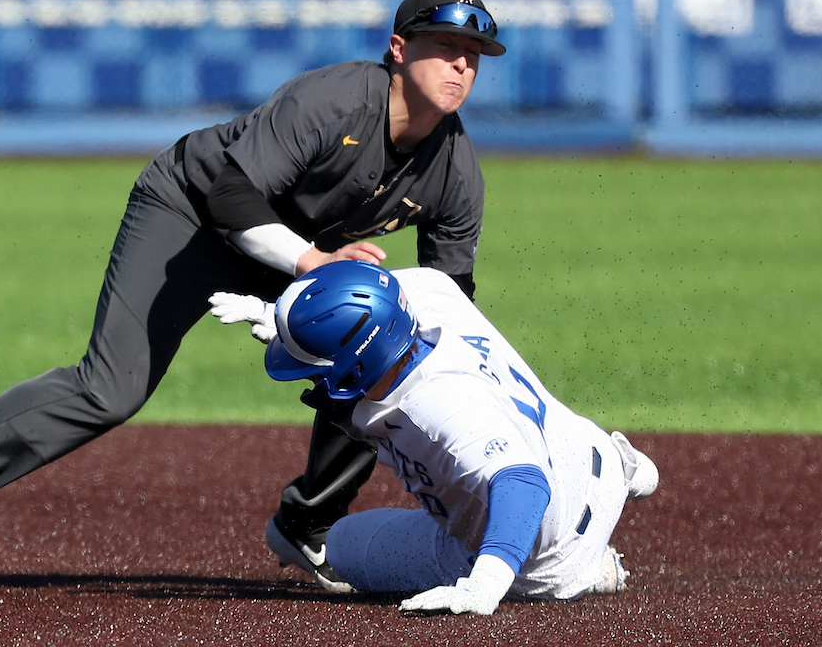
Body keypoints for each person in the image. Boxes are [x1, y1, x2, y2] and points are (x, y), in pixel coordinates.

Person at [0, 0, 506, 589]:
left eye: (474, 55)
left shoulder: (454, 172)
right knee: (111, 390)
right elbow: (230, 192)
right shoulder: (335, 98)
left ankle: (310, 524)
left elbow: (450, 304)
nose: (460, 67)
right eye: (445, 47)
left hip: (298, 256)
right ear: (398, 49)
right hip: (190, 217)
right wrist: (311, 262)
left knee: (384, 350)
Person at [210, 261, 659, 613]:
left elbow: (524, 484)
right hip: (581, 452)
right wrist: (286, 317)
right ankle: (621, 467)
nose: (310, 379)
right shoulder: (426, 292)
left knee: (345, 546)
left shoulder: (436, 410)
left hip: (543, 554)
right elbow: (365, 296)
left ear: (359, 364)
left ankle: (589, 570)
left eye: (314, 367)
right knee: (544, 438)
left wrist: (485, 584)